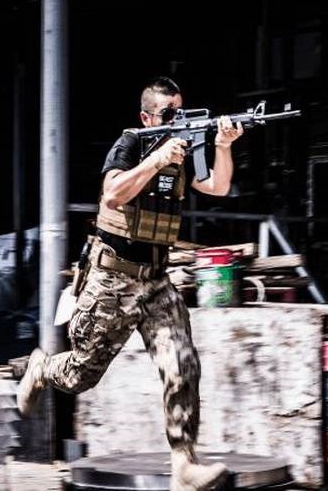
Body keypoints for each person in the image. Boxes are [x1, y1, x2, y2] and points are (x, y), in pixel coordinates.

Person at [16, 76, 243, 491]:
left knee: (182, 365)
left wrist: (223, 146)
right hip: (112, 278)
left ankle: (184, 464)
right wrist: (155, 161)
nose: (177, 120)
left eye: (181, 112)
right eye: (168, 114)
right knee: (81, 374)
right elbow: (112, 195)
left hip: (156, 280)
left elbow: (218, 186)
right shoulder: (132, 143)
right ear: (147, 117)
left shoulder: (184, 151)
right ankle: (42, 368)